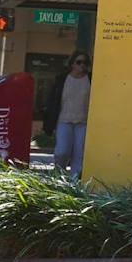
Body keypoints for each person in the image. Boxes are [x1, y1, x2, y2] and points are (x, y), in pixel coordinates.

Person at [41, 50, 92, 179]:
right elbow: (53, 101)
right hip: (64, 121)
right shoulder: (62, 79)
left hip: (83, 123)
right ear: (72, 64)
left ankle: (74, 183)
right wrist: (49, 122)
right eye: (78, 62)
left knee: (79, 155)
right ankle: (59, 175)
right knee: (61, 152)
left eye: (85, 63)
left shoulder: (90, 79)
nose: (82, 65)